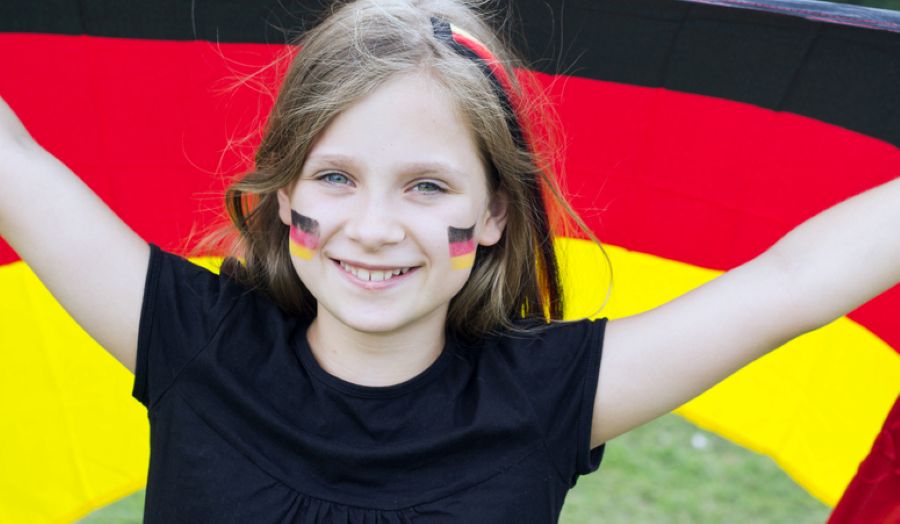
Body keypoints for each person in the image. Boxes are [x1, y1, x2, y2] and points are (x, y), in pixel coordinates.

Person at [0, 0, 897, 522]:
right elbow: (20, 170)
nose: (377, 226)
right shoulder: (193, 343)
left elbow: (796, 281)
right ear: (282, 195)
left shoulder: (550, 396)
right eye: (338, 176)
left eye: (427, 187)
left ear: (496, 212)